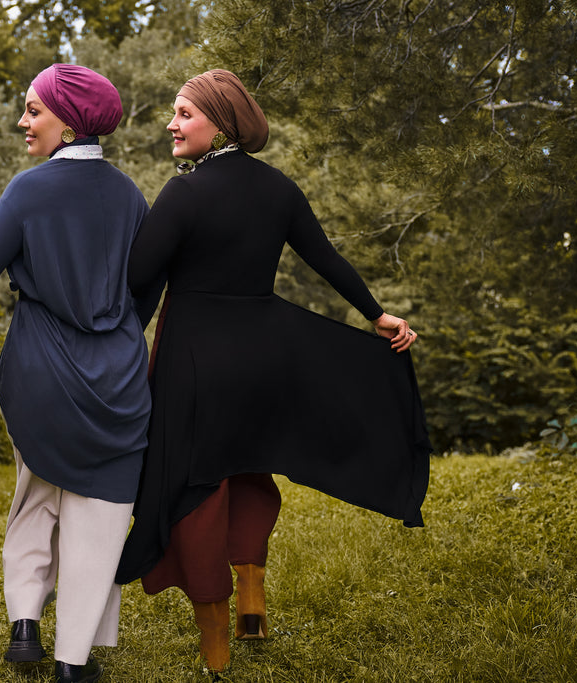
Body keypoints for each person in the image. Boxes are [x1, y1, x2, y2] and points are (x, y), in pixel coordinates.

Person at [113, 69, 432, 677]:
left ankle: (215, 645)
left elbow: (137, 284)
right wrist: (378, 315)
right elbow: (325, 258)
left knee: (196, 489)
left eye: (184, 113)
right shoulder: (279, 189)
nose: (172, 124)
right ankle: (253, 596)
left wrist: (105, 343)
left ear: (222, 121)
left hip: (197, 360)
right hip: (265, 356)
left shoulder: (182, 194)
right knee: (249, 466)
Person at [0, 64, 151, 683]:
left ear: (69, 121)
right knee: (102, 514)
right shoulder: (131, 195)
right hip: (117, 380)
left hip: (39, 373)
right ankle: (73, 660)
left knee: (34, 491)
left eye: (33, 110)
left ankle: (26, 624)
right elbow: (147, 293)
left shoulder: (27, 190)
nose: (22, 121)